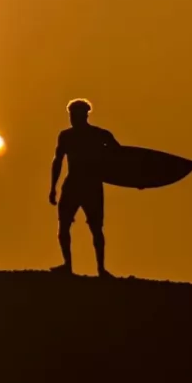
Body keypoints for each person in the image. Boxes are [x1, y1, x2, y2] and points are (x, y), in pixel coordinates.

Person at [49, 98, 119, 277]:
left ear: (85, 115)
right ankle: (67, 265)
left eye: (76, 115)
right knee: (64, 226)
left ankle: (101, 269)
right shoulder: (66, 136)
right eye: (71, 115)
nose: (72, 118)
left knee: (96, 228)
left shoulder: (100, 135)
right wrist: (53, 187)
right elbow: (58, 161)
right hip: (72, 184)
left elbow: (120, 158)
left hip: (92, 185)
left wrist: (136, 180)